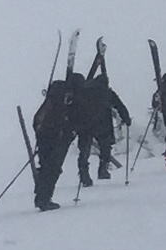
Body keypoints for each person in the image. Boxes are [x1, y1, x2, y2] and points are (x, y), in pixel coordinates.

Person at [29, 66, 80, 211]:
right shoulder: (59, 107)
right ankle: (44, 199)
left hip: (44, 142)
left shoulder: (48, 105)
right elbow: (63, 126)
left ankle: (41, 198)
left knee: (46, 169)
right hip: (54, 143)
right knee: (52, 170)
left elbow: (37, 122)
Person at [79, 45, 131, 186]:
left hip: (86, 124)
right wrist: (126, 118)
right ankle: (103, 169)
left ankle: (84, 174)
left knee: (84, 149)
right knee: (105, 148)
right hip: (103, 125)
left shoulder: (85, 92)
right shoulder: (107, 92)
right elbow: (119, 105)